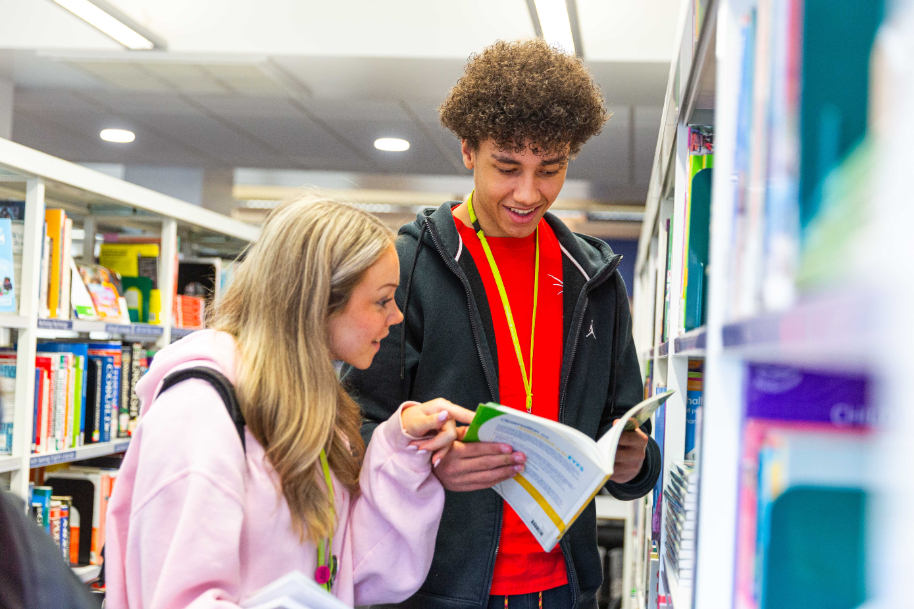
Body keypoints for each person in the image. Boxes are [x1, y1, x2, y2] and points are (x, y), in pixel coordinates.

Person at [345, 39, 662, 609]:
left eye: (551, 169)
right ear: (468, 150)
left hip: (566, 587)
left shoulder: (595, 279)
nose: (528, 193)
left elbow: (625, 426)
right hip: (436, 586)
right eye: (507, 167)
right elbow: (352, 428)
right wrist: (428, 463)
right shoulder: (411, 265)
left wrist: (636, 462)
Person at [105, 196, 475, 609]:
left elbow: (346, 570)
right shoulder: (200, 410)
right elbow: (177, 597)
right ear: (320, 300)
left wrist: (402, 450)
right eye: (382, 300)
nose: (396, 317)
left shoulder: (312, 405)